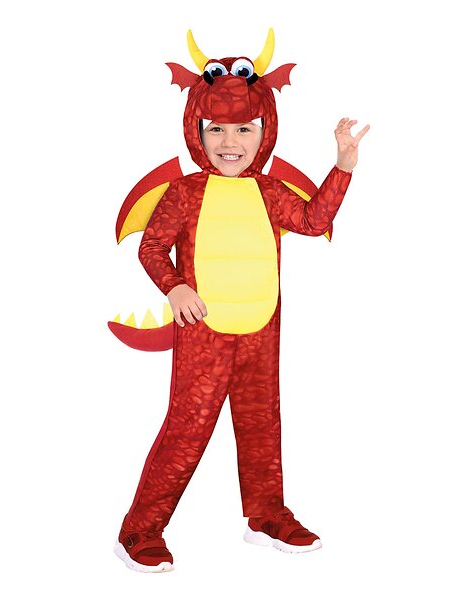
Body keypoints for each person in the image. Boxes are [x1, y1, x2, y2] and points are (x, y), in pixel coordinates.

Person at [113, 29, 369, 573]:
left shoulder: (272, 192)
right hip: (203, 333)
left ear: (264, 130)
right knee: (187, 431)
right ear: (197, 131)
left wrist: (343, 165)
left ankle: (267, 515)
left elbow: (313, 220)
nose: (230, 141)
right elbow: (151, 247)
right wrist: (175, 285)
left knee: (261, 426)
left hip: (261, 329)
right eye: (217, 129)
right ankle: (140, 530)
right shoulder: (184, 192)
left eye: (244, 128)